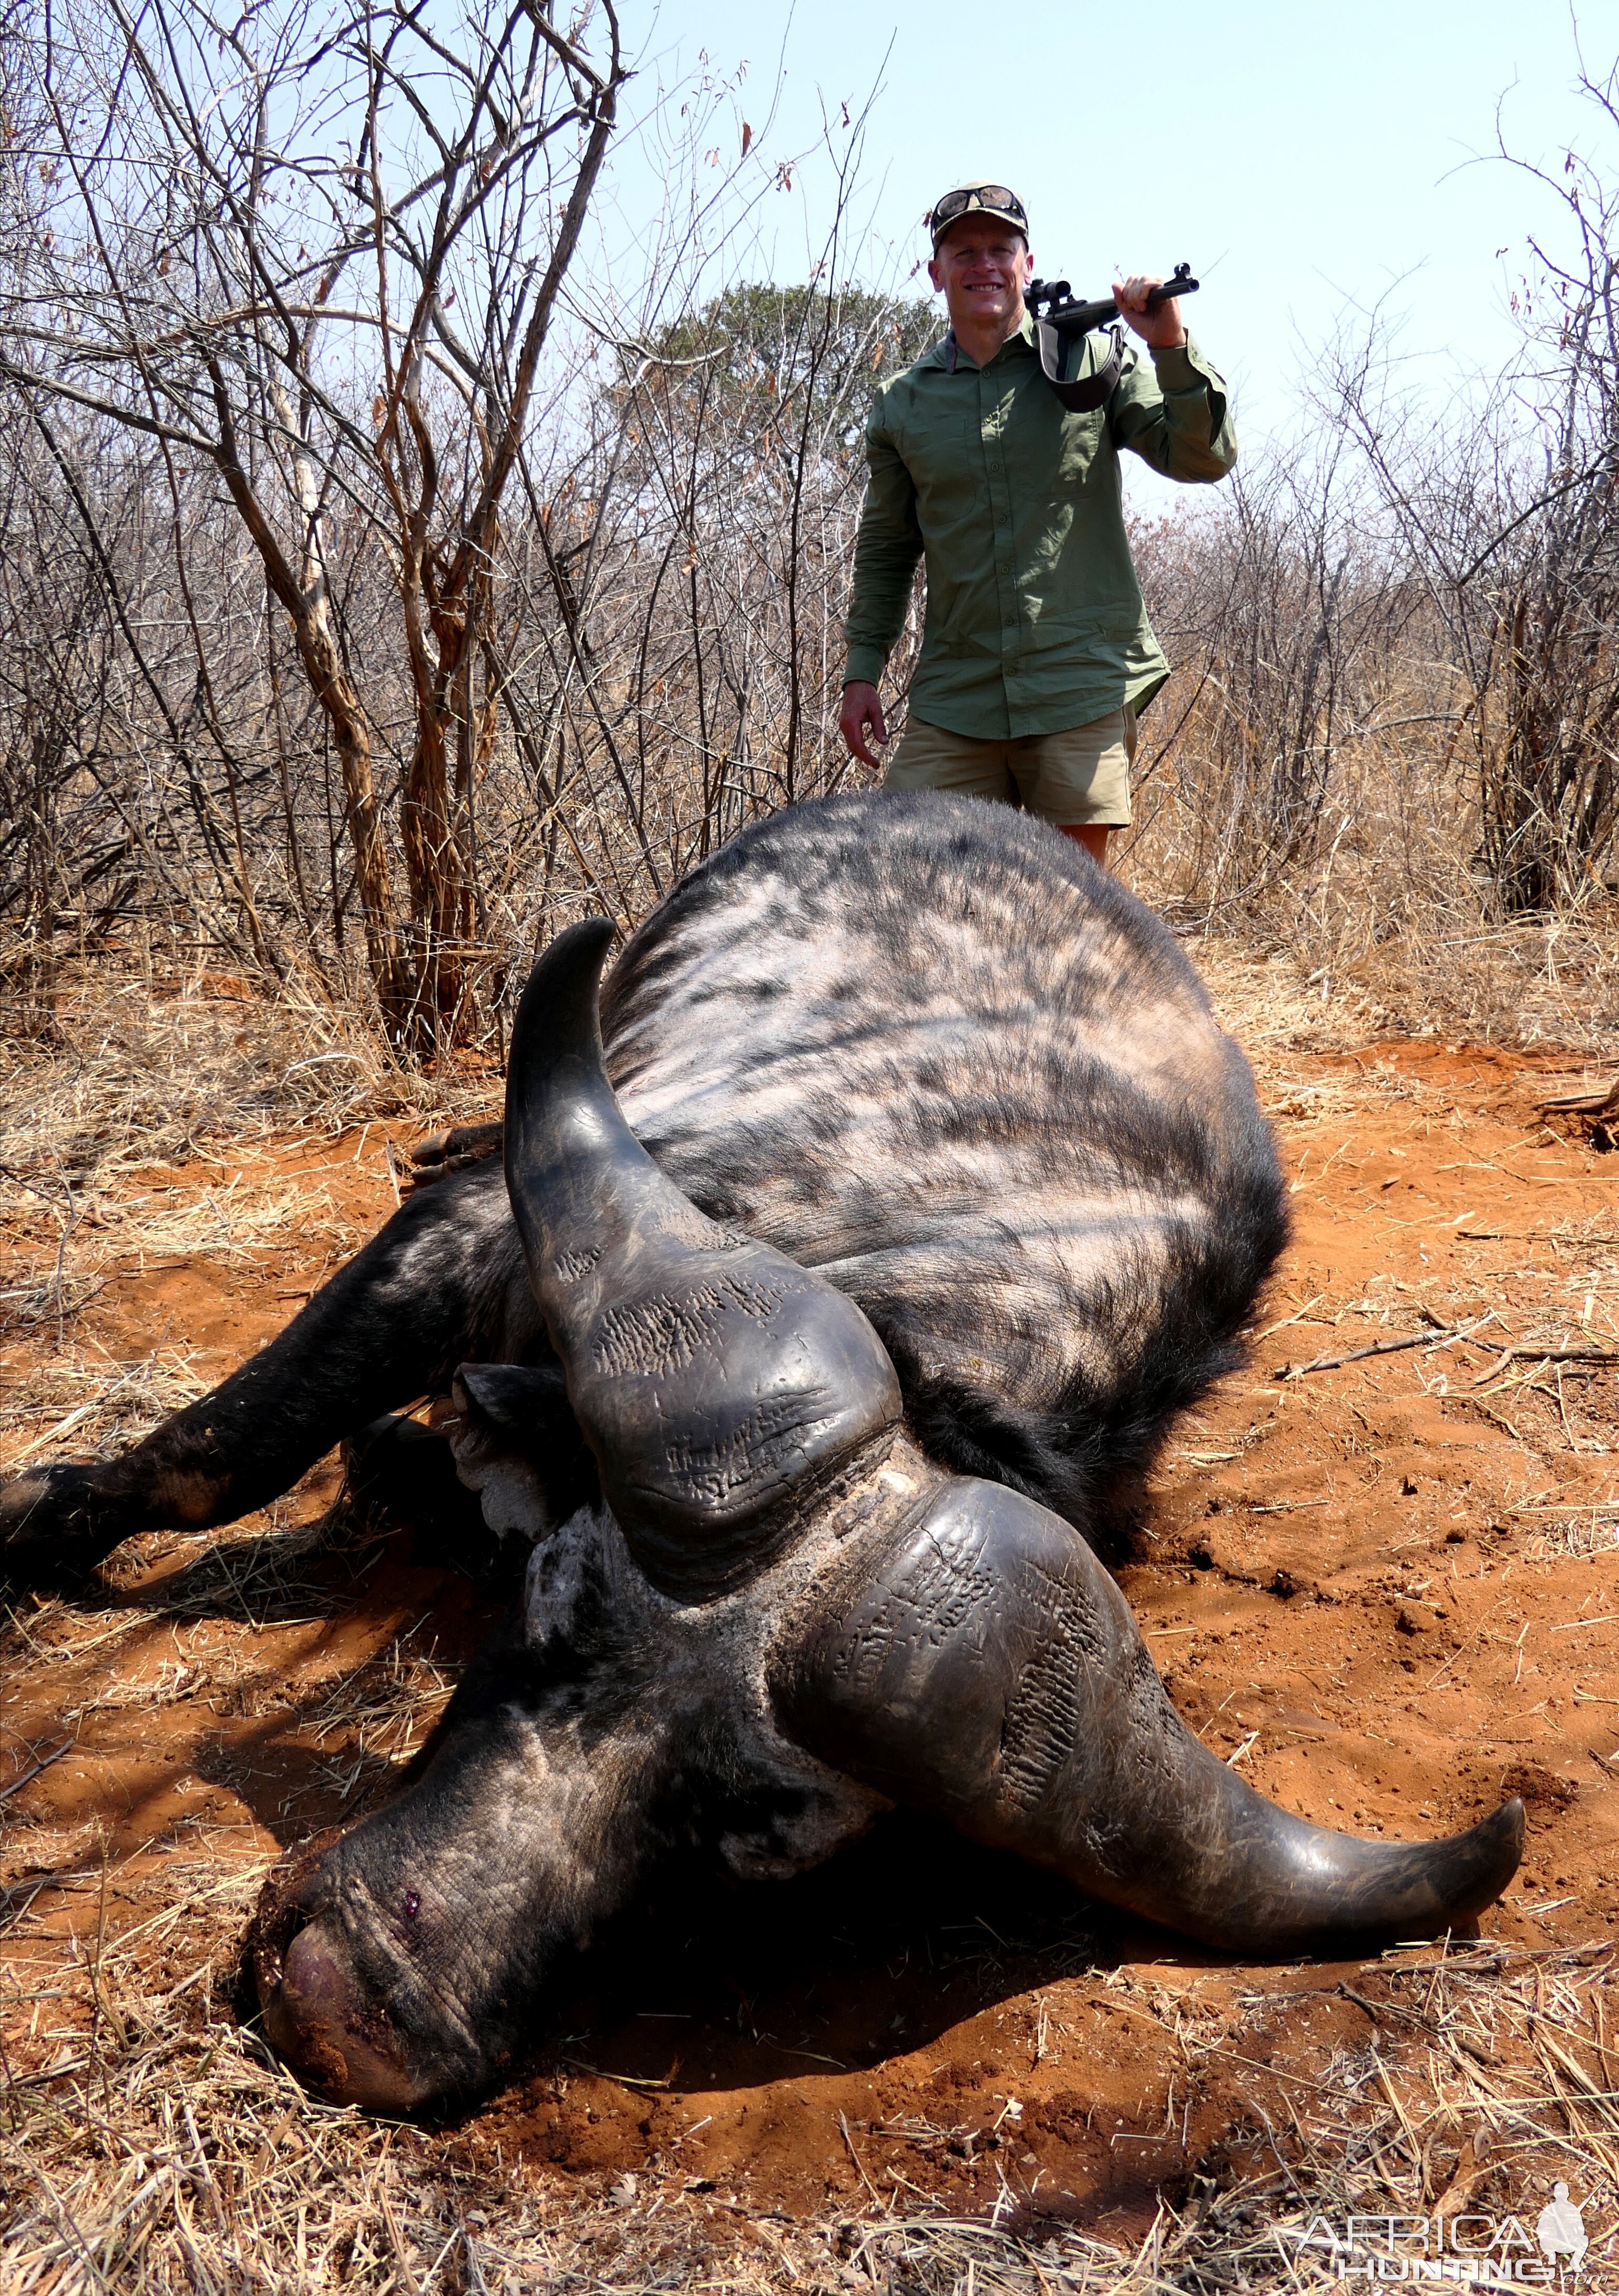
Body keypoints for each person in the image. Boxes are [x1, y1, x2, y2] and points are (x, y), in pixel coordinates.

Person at [839, 181, 1237, 866]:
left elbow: (1202, 457)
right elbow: (887, 547)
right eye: (963, 252)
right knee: (909, 884)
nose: (983, 264)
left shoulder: (1092, 361)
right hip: (955, 697)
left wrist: (1169, 343)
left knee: (1067, 916)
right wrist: (861, 670)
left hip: (1078, 686)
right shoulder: (903, 403)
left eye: (1001, 248)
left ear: (1028, 263)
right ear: (936, 273)